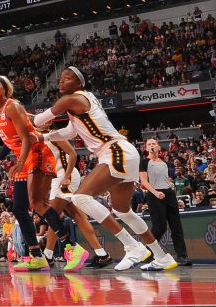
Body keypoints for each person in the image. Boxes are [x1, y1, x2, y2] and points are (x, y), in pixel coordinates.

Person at [35, 66, 178, 271]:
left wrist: (32, 123)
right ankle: (162, 257)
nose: (61, 81)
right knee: (123, 210)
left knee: (80, 197)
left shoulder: (70, 99)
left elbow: (39, 120)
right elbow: (69, 132)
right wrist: (44, 137)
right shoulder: (83, 101)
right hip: (124, 151)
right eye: (61, 78)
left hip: (115, 151)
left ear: (79, 83)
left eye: (67, 78)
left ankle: (131, 246)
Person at [0, 75, 88, 272]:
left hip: (37, 154)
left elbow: (25, 138)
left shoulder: (12, 106)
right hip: (23, 157)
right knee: (19, 209)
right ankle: (36, 255)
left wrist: (20, 162)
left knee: (37, 203)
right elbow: (10, 140)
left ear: (6, 88)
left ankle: (72, 248)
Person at [45, 137, 111, 268]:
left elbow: (73, 154)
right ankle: (102, 254)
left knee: (53, 214)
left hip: (64, 176)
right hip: (57, 177)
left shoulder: (53, 135)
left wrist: (67, 176)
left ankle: (48, 256)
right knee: (77, 215)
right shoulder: (37, 137)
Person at [139, 138, 189, 265]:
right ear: (146, 148)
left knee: (176, 226)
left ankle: (182, 256)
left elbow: (166, 179)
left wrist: (171, 191)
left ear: (158, 147)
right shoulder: (144, 162)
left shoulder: (164, 163)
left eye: (154, 144)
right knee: (159, 227)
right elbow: (144, 181)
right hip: (154, 195)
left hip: (168, 194)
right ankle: (148, 252)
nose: (151, 146)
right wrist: (156, 192)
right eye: (149, 144)